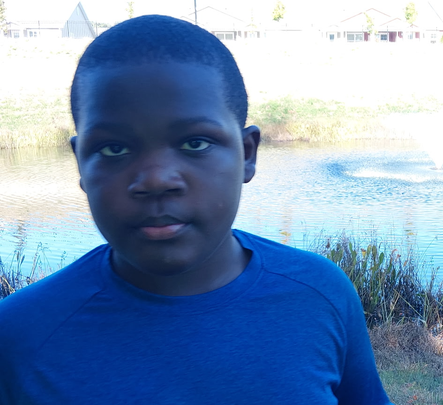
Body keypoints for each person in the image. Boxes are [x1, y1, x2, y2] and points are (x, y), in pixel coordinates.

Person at [0, 15, 391, 404]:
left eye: (195, 144)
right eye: (114, 149)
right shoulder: (21, 333)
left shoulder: (319, 294)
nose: (156, 179)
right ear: (80, 165)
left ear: (247, 155)